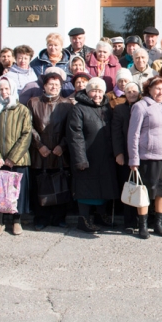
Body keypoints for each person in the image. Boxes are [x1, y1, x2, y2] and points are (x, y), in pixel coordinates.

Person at [0, 77, 33, 237]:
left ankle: (16, 221)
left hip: (17, 160)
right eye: (1, 89)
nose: (4, 92)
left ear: (12, 89)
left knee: (16, 192)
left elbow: (26, 134)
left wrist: (13, 158)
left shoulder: (22, 110)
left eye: (7, 89)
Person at [67, 77, 119, 234]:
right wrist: (80, 159)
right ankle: (83, 219)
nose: (97, 94)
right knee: (86, 189)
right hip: (87, 156)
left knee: (102, 187)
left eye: (100, 91)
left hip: (105, 157)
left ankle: (100, 216)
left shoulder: (106, 107)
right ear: (87, 92)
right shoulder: (78, 109)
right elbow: (75, 136)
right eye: (94, 91)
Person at [127, 77, 162, 239]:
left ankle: (158, 224)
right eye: (157, 89)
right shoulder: (140, 107)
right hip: (148, 157)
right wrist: (133, 159)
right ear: (149, 89)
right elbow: (133, 135)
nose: (160, 92)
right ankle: (143, 225)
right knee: (145, 191)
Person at [26, 71, 74, 231]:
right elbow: (28, 127)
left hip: (60, 151)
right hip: (40, 151)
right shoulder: (33, 102)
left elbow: (72, 128)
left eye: (57, 85)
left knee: (61, 182)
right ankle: (41, 217)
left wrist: (63, 145)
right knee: (40, 184)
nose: (54, 87)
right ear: (44, 86)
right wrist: (39, 145)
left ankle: (59, 217)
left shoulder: (67, 104)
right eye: (50, 84)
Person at [111, 81, 142, 233]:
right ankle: (129, 221)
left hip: (143, 154)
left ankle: (142, 220)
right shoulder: (119, 109)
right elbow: (115, 133)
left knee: (143, 188)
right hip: (126, 155)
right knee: (129, 188)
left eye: (134, 91)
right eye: (128, 91)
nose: (132, 94)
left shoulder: (144, 107)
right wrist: (119, 153)